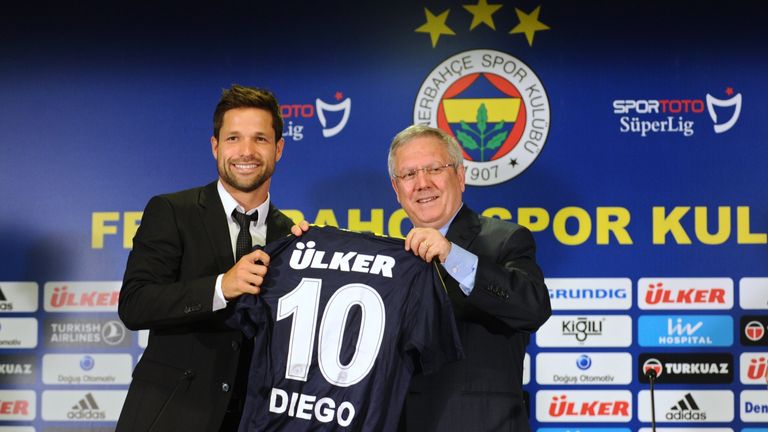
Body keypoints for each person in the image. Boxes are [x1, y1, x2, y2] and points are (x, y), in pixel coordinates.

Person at [116, 84, 301, 431]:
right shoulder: (171, 211)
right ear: (215, 146)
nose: (246, 151)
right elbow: (135, 304)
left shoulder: (290, 235)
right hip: (172, 414)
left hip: (254, 419)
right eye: (233, 138)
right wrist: (220, 287)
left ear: (279, 149)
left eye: (260, 139)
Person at [389, 124, 551, 431]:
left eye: (434, 168)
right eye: (409, 175)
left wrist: (453, 256)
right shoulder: (391, 261)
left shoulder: (505, 239)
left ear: (460, 176)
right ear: (397, 190)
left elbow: (533, 307)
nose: (422, 183)